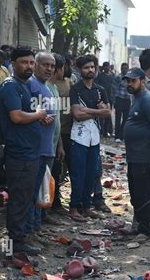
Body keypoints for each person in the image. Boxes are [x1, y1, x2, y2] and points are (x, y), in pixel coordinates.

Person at [0, 47, 49, 255]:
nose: (28, 66)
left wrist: (39, 117)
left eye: (31, 62)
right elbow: (16, 117)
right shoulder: (11, 86)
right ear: (13, 63)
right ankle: (15, 248)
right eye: (24, 62)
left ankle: (20, 242)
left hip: (29, 153)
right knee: (19, 200)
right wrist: (37, 115)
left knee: (25, 198)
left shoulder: (25, 85)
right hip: (18, 154)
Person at [68, 55, 112, 222]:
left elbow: (108, 113)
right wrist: (97, 110)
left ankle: (86, 207)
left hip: (94, 137)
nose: (90, 70)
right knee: (78, 174)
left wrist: (90, 110)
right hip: (78, 137)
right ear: (81, 70)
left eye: (92, 67)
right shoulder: (76, 89)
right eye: (86, 67)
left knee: (92, 173)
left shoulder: (101, 90)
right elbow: (77, 115)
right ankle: (74, 208)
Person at [123, 68, 150, 238]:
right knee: (135, 190)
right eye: (127, 81)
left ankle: (145, 228)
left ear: (142, 80)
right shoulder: (137, 98)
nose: (129, 84)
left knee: (143, 192)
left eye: (133, 81)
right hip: (134, 155)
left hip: (144, 155)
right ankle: (139, 223)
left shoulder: (147, 99)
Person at [24, 52, 57, 238]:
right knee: (32, 192)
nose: (49, 69)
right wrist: (38, 118)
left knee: (41, 192)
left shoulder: (47, 87)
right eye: (45, 65)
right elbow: (24, 113)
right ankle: (29, 232)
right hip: (35, 149)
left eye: (52, 66)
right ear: (36, 65)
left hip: (47, 148)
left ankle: (36, 228)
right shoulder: (31, 85)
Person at [51, 54, 74, 212]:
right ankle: (53, 203)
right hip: (56, 134)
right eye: (67, 65)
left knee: (68, 168)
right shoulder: (48, 86)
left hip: (68, 132)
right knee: (54, 169)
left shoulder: (69, 83)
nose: (69, 68)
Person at [47, 53, 67, 217]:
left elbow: (57, 120)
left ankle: (50, 209)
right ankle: (43, 214)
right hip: (45, 146)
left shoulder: (54, 88)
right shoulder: (45, 88)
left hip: (54, 144)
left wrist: (60, 144)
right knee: (44, 181)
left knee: (53, 177)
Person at [111, 63, 131, 143]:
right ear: (121, 68)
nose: (125, 69)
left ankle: (122, 135)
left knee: (126, 119)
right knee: (118, 119)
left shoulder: (129, 78)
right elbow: (113, 89)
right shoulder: (118, 77)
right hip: (119, 99)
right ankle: (117, 136)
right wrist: (114, 101)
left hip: (127, 100)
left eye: (126, 68)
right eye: (123, 68)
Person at [95, 62, 115, 137]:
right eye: (105, 66)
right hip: (101, 98)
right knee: (100, 115)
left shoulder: (113, 76)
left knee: (108, 115)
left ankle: (106, 132)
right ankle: (101, 131)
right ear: (103, 68)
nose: (107, 68)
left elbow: (114, 88)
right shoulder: (100, 76)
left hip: (110, 98)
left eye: (108, 66)